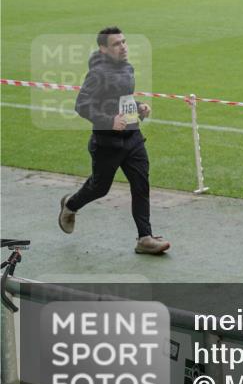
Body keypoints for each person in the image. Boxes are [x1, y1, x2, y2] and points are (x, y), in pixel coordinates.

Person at [57, 27, 171, 255]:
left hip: (133, 138)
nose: (124, 46)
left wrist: (138, 108)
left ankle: (144, 238)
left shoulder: (127, 67)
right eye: (117, 44)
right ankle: (70, 205)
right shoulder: (97, 74)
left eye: (124, 42)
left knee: (141, 185)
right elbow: (81, 105)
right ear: (103, 49)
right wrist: (108, 121)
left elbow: (121, 99)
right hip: (107, 144)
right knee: (99, 188)